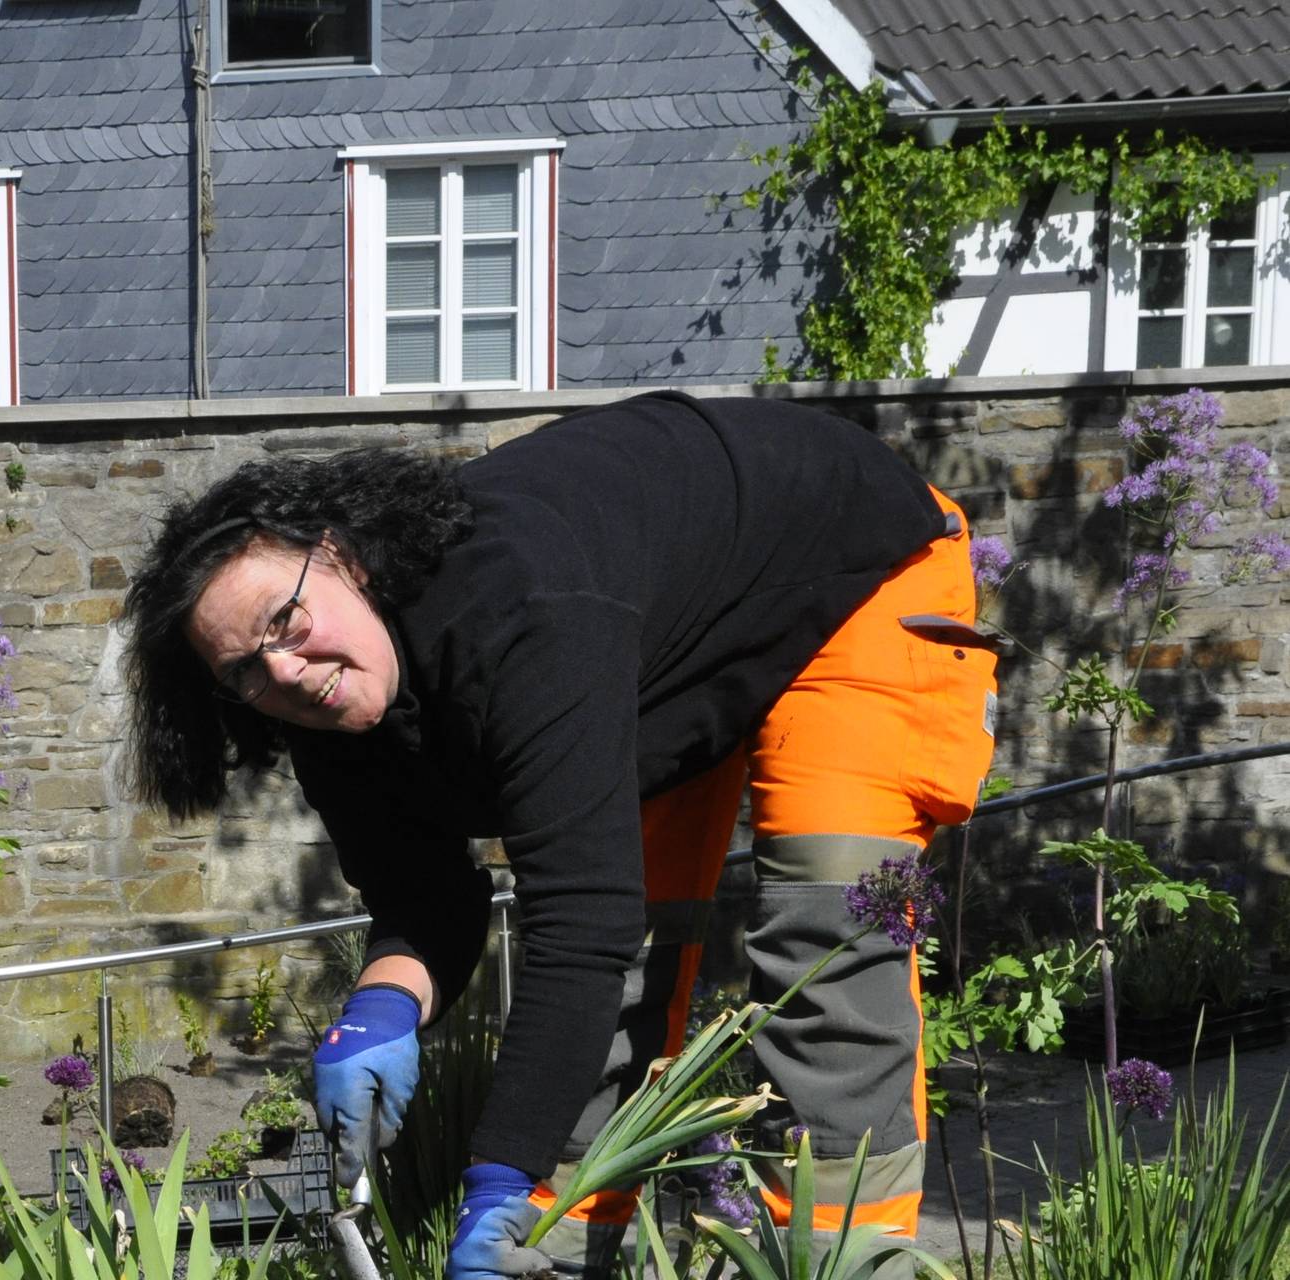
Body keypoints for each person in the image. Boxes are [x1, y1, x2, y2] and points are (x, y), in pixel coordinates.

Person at [120, 392, 997, 1278]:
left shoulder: (522, 608)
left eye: (286, 621)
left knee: (828, 925)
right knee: (625, 974)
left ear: (343, 558)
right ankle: (552, 1257)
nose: (284, 670)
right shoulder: (325, 715)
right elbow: (426, 899)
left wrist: (496, 1180)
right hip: (670, 644)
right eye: (245, 671)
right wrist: (383, 1008)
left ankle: (838, 1259)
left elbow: (583, 925)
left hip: (854, 562)